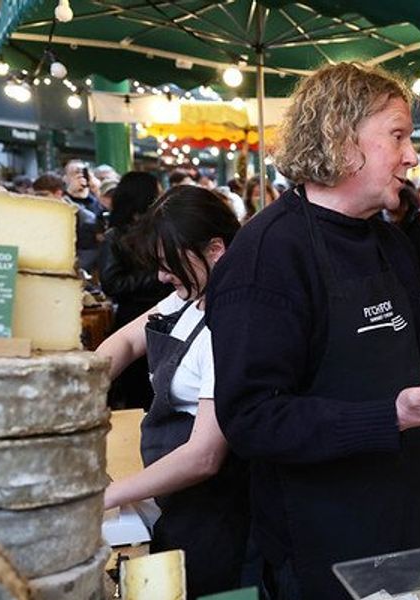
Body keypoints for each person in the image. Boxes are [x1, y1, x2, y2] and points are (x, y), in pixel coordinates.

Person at [206, 62, 420, 600]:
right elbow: (250, 418)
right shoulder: (267, 256)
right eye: (397, 136)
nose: (413, 156)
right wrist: (394, 415)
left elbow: (411, 361)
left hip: (409, 523)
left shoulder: (385, 240)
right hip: (325, 546)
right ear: (341, 138)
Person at [96, 185, 249, 596]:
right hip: (176, 502)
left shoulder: (231, 324)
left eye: (169, 264)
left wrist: (107, 496)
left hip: (216, 515)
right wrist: (74, 392)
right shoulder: (187, 298)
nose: (163, 276)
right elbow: (126, 343)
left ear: (215, 249)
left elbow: (204, 457)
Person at [99, 171, 173, 410]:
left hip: (165, 318)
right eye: (157, 190)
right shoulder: (115, 237)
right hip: (132, 317)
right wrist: (157, 278)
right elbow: (112, 284)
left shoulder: (157, 231)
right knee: (138, 394)